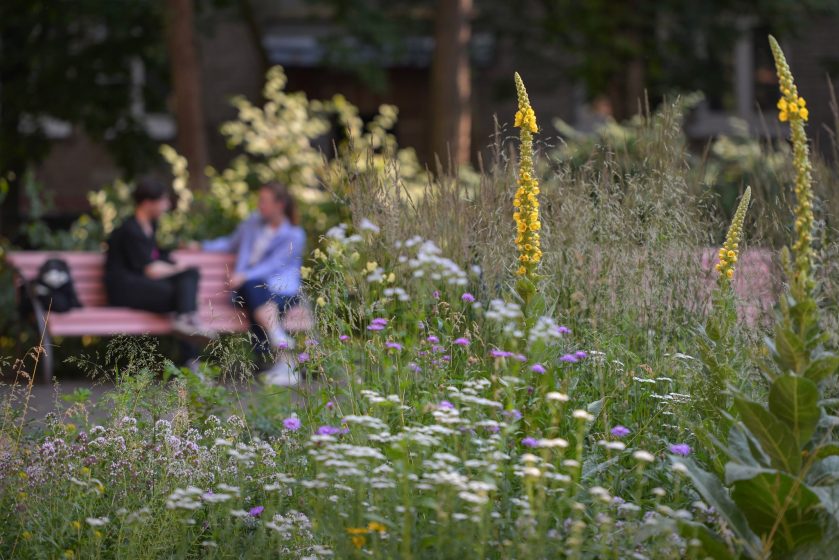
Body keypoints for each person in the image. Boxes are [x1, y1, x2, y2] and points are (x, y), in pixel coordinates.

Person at [201, 182, 306, 386]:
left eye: (264, 201)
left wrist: (244, 275)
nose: (260, 205)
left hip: (281, 290)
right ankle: (283, 357)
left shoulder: (294, 234)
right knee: (253, 288)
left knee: (253, 287)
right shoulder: (252, 223)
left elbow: (275, 264)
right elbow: (230, 243)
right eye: (260, 201)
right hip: (252, 290)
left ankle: (280, 358)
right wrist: (202, 246)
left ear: (280, 204)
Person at [105, 178, 215, 361]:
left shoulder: (150, 226)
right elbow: (150, 269)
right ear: (148, 203)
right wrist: (178, 268)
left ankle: (186, 322)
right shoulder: (130, 230)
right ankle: (191, 348)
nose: (167, 205)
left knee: (188, 279)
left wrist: (176, 266)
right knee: (183, 294)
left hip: (142, 287)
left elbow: (156, 257)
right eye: (163, 200)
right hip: (123, 289)